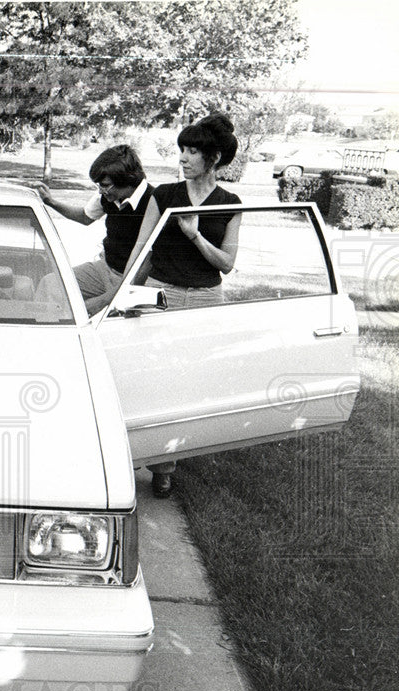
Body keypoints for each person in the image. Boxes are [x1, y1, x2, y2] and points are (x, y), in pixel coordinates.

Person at [124, 112, 242, 499]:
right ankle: (150, 459)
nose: (184, 158)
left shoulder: (230, 203)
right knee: (153, 375)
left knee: (188, 381)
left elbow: (226, 263)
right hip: (164, 292)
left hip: (206, 297)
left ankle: (167, 462)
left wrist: (194, 236)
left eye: (193, 152)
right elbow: (143, 247)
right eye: (183, 151)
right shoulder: (165, 195)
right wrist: (125, 291)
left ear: (214, 159)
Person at [37, 144, 153, 315]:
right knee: (51, 284)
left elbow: (147, 265)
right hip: (105, 268)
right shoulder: (109, 196)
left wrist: (104, 301)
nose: (100, 189)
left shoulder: (154, 202)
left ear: (126, 179)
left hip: (136, 281)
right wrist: (51, 202)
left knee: (110, 321)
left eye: (105, 184)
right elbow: (85, 217)